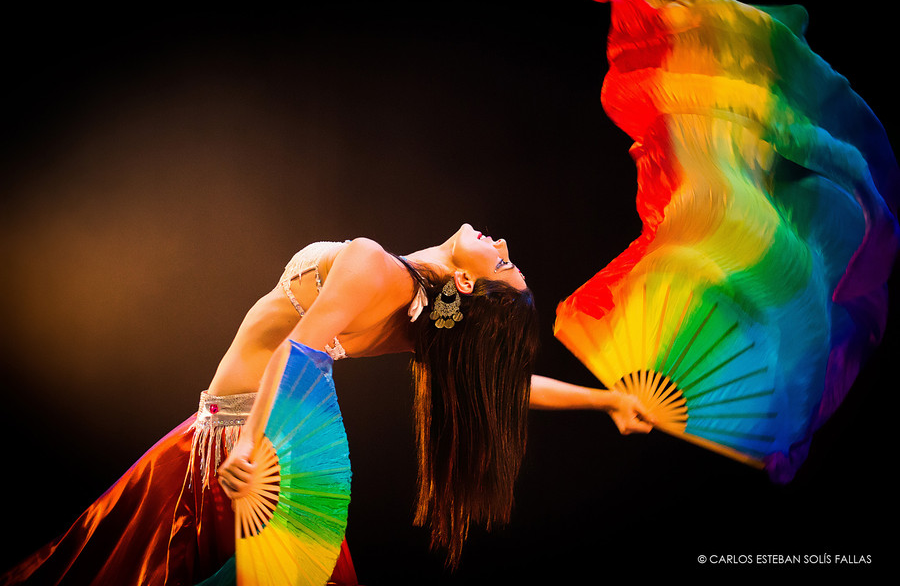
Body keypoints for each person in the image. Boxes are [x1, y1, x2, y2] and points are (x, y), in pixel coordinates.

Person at [2, 223, 653, 586]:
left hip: (241, 444)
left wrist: (250, 444)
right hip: (259, 444)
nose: (504, 246)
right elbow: (494, 386)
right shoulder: (422, 309)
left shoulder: (376, 267)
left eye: (504, 266)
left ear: (464, 280)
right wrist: (608, 400)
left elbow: (297, 351)